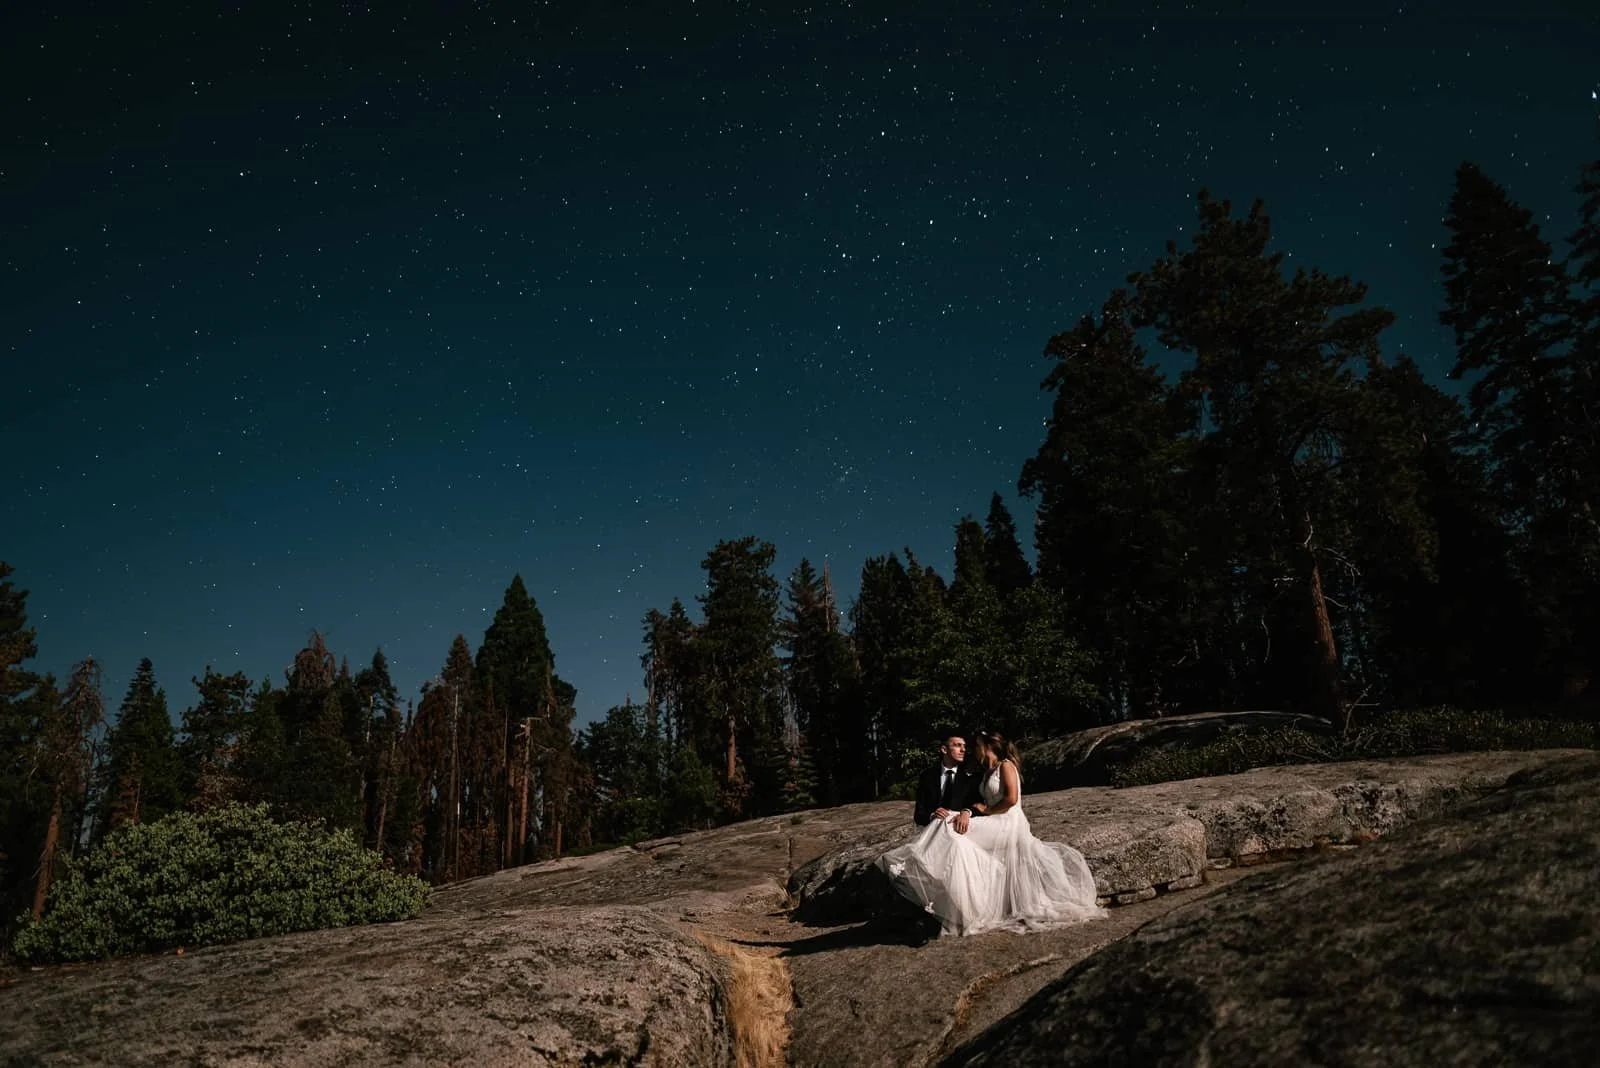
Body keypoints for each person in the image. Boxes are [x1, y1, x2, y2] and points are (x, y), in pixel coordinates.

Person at [877, 729, 1105, 937]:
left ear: (987, 746)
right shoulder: (986, 772)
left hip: (1008, 823)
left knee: (948, 823)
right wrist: (972, 811)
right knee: (956, 840)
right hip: (994, 821)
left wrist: (983, 810)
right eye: (962, 746)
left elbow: (1011, 799)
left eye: (975, 746)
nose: (971, 750)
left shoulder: (1006, 766)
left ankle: (923, 862)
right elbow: (974, 803)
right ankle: (965, 905)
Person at [912, 731, 983, 830]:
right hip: (934, 829)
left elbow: (980, 806)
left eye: (964, 746)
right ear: (944, 749)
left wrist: (967, 812)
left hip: (959, 829)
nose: (963, 750)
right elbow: (919, 814)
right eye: (957, 745)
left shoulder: (972, 775)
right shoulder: (927, 776)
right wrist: (932, 815)